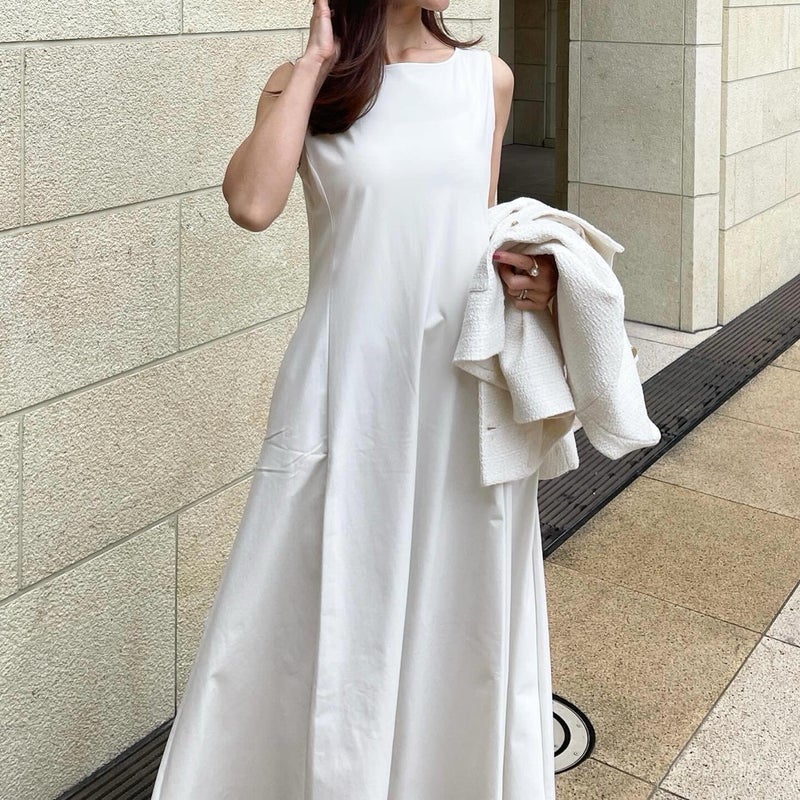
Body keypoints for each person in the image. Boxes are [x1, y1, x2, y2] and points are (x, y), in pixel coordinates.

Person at [150, 1, 560, 798]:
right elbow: (251, 203)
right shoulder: (309, 83)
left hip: (460, 398)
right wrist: (311, 65)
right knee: (308, 604)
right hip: (345, 392)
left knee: (458, 614)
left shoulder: (488, 80)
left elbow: (477, 239)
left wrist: (535, 282)